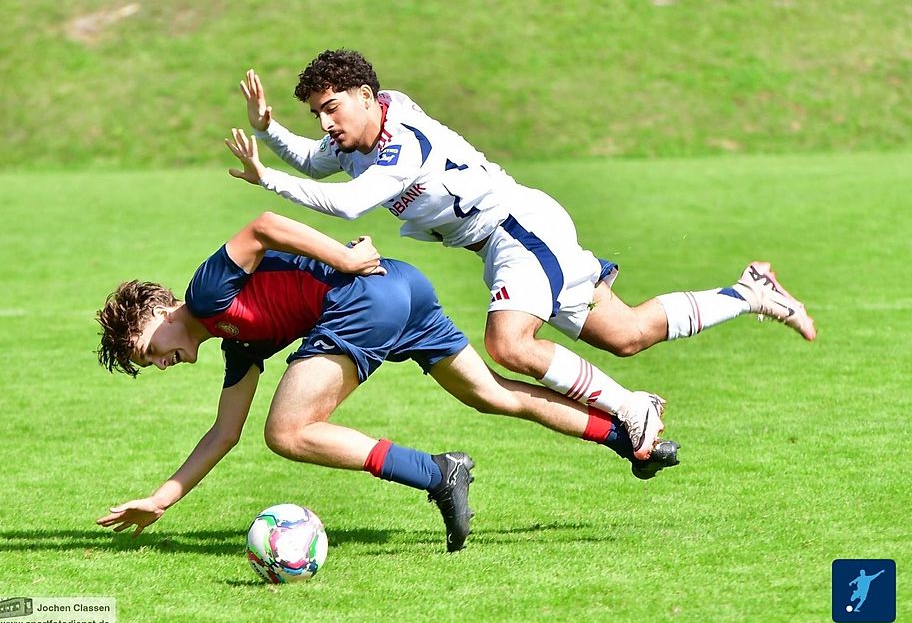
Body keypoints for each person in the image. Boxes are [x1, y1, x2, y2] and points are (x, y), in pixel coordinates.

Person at [225, 50, 817, 461]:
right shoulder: (358, 138)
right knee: (628, 333)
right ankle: (750, 292)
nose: (326, 124)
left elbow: (350, 206)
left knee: (508, 345)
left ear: (366, 96)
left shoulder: (404, 144)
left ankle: (633, 406)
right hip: (507, 240)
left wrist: (266, 183)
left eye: (332, 108)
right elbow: (313, 163)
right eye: (317, 114)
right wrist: (271, 132)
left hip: (518, 230)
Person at [94, 212, 680, 553]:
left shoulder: (203, 295)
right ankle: (628, 438)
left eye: (152, 351)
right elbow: (224, 432)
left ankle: (438, 473)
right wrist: (161, 500)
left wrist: (343, 262)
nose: (162, 363)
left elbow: (263, 226)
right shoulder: (238, 340)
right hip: (405, 289)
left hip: (364, 295)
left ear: (160, 312)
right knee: (491, 394)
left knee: (289, 431)